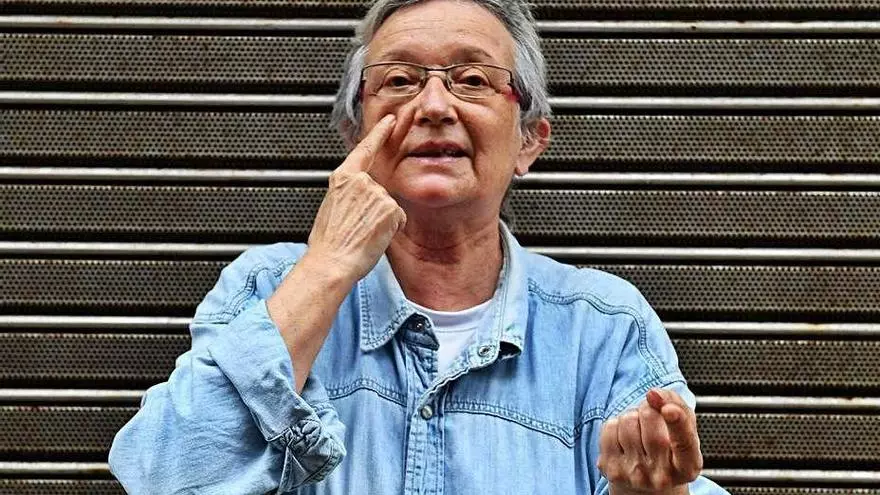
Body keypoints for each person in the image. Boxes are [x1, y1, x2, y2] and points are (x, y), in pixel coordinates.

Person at [109, 0, 730, 493]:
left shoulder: (603, 327)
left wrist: (654, 494)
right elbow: (164, 478)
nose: (433, 106)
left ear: (529, 141)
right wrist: (326, 267)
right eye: (400, 80)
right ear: (353, 134)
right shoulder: (269, 289)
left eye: (473, 80)